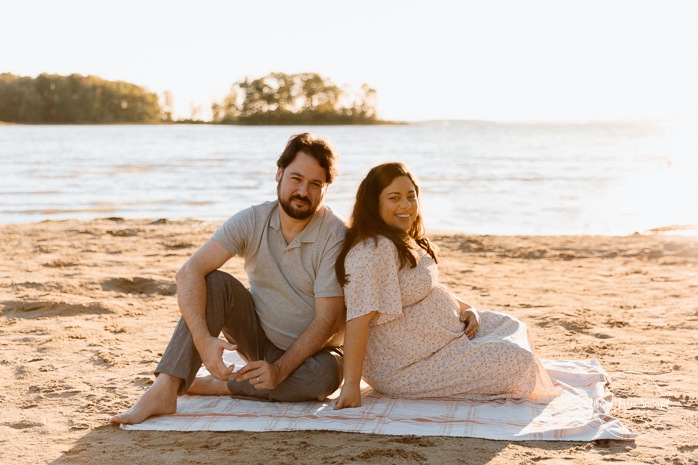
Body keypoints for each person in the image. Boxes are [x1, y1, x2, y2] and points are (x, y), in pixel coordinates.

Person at [112, 133, 347, 425]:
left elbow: (327, 321)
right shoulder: (252, 219)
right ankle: (164, 388)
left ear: (326, 188)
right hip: (258, 338)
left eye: (315, 184)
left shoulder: (335, 235)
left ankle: (220, 385)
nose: (303, 191)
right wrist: (204, 342)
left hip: (316, 353)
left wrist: (281, 370)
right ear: (279, 173)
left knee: (323, 378)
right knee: (214, 283)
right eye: (296, 179)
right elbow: (188, 272)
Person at [333, 163, 559, 410]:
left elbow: (425, 287)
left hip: (441, 342)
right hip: (406, 364)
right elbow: (357, 319)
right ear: (373, 204)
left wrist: (466, 307)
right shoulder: (374, 250)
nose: (406, 205)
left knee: (512, 326)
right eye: (394, 198)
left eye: (411, 196)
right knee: (519, 361)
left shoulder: (400, 237)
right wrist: (351, 385)